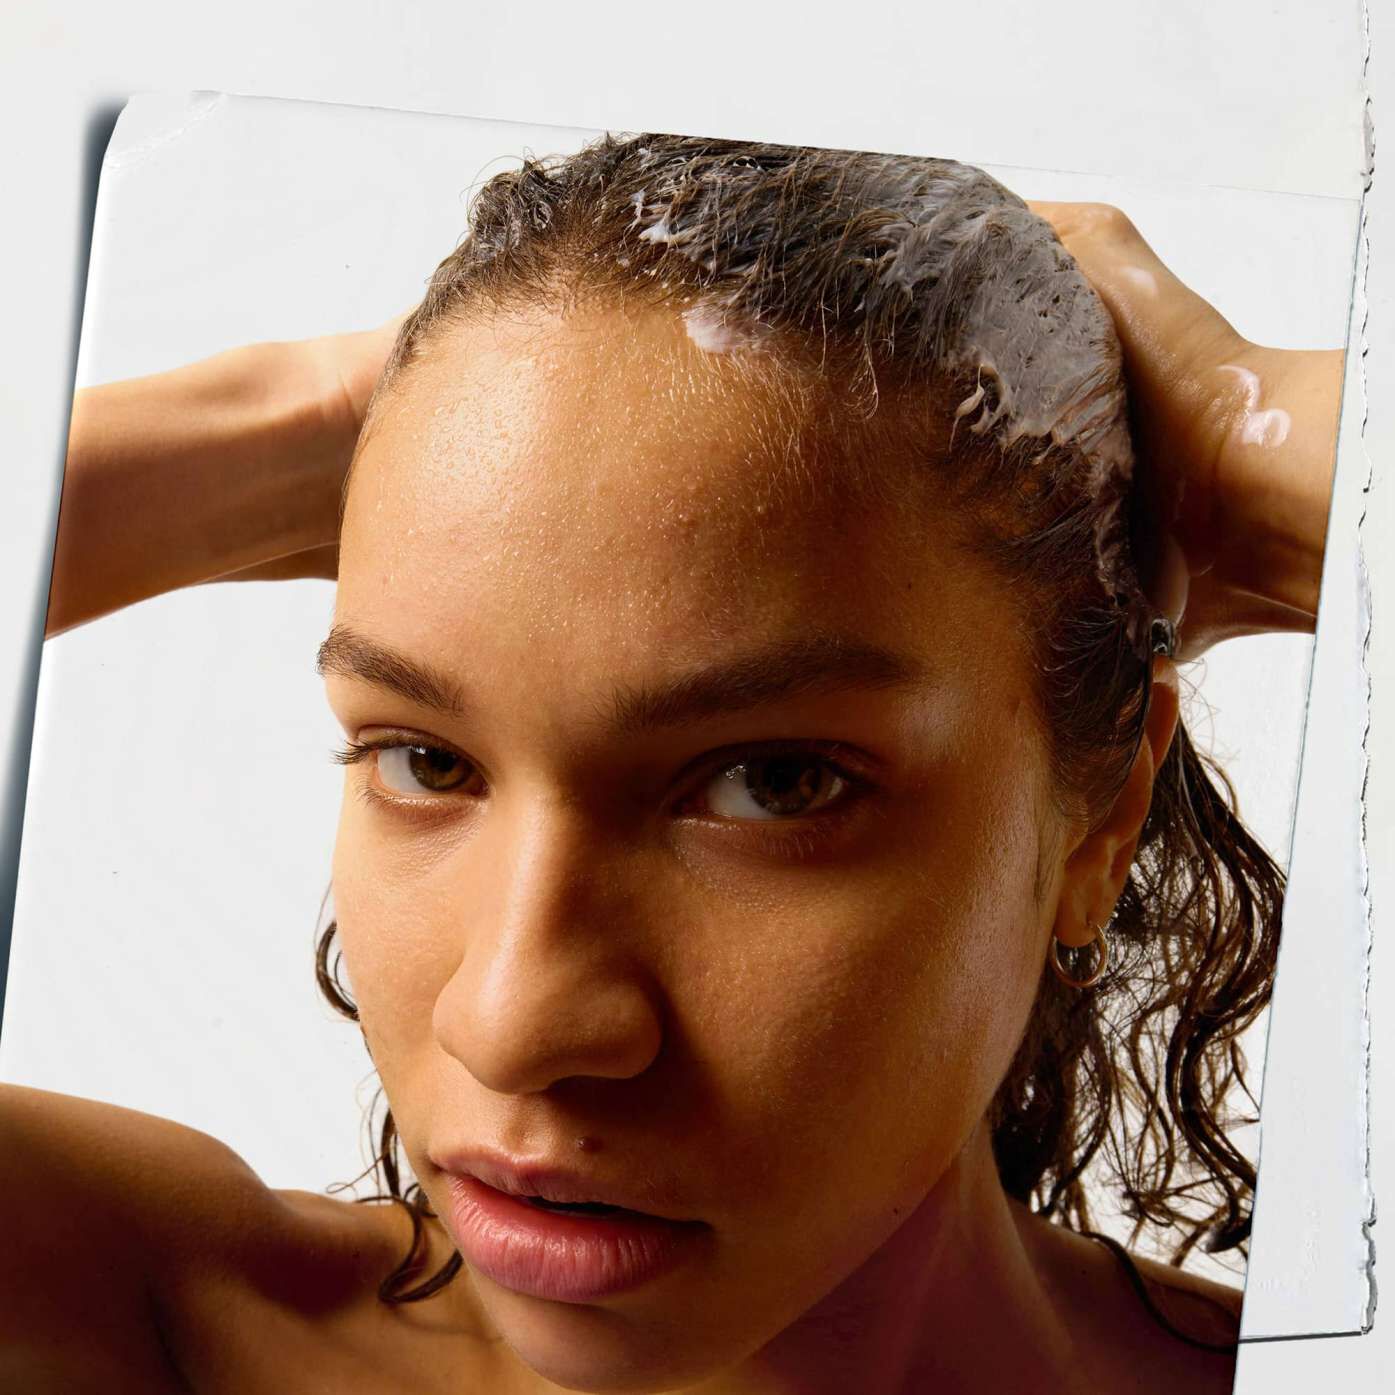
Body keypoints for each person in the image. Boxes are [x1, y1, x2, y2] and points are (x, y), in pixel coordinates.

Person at [4, 135, 1344, 1394]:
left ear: (1103, 817)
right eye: (425, 760)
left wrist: (1253, 452)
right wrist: (365, 406)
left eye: (773, 783)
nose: (514, 1021)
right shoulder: (162, 1331)